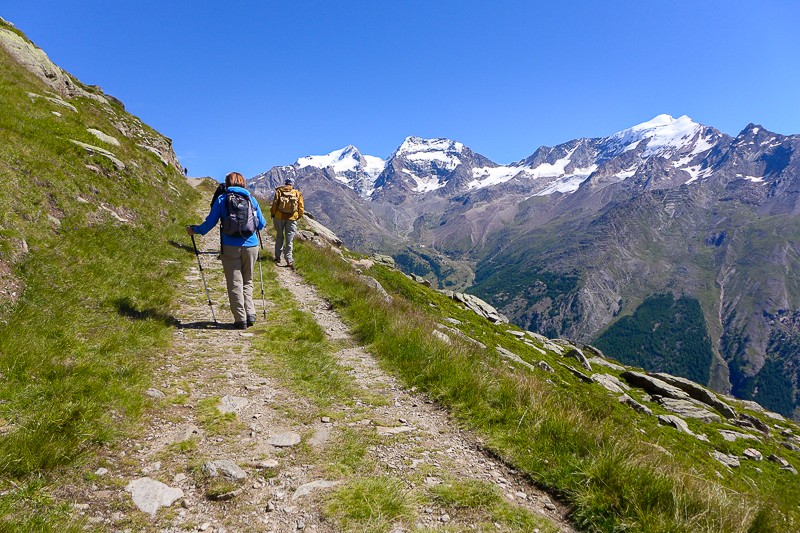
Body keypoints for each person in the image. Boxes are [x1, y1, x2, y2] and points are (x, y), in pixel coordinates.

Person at [186, 172, 267, 329]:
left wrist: (194, 230)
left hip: (230, 246)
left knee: (234, 282)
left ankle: (240, 319)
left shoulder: (222, 200)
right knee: (248, 280)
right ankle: (250, 314)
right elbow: (261, 224)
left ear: (227, 184)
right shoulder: (251, 199)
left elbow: (209, 224)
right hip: (251, 245)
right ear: (243, 183)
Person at [270, 176, 304, 269]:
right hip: (292, 218)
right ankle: (289, 259)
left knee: (279, 236)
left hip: (279, 217)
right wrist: (297, 216)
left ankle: (277, 257)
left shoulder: (279, 191)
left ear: (285, 183)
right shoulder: (297, 193)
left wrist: (273, 214)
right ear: (292, 184)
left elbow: (275, 204)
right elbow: (301, 208)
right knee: (289, 240)